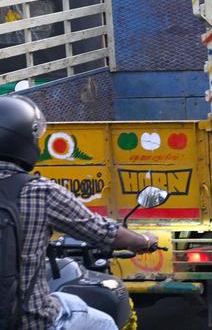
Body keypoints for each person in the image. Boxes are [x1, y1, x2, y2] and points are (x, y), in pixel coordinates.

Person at [0, 96, 160, 330]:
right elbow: (103, 232)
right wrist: (144, 241)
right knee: (103, 321)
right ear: (26, 139)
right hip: (30, 321)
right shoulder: (39, 192)